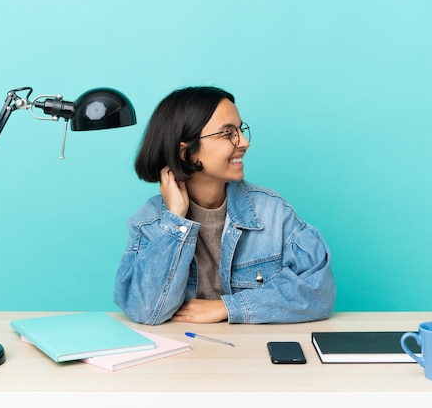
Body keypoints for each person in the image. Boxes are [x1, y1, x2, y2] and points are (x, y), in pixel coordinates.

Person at [114, 86, 335, 325]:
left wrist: (227, 308)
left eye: (240, 130)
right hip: (183, 356)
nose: (244, 142)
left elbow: (318, 292)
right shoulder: (149, 223)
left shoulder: (272, 212)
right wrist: (176, 222)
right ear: (184, 150)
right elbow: (146, 310)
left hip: (252, 353)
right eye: (227, 133)